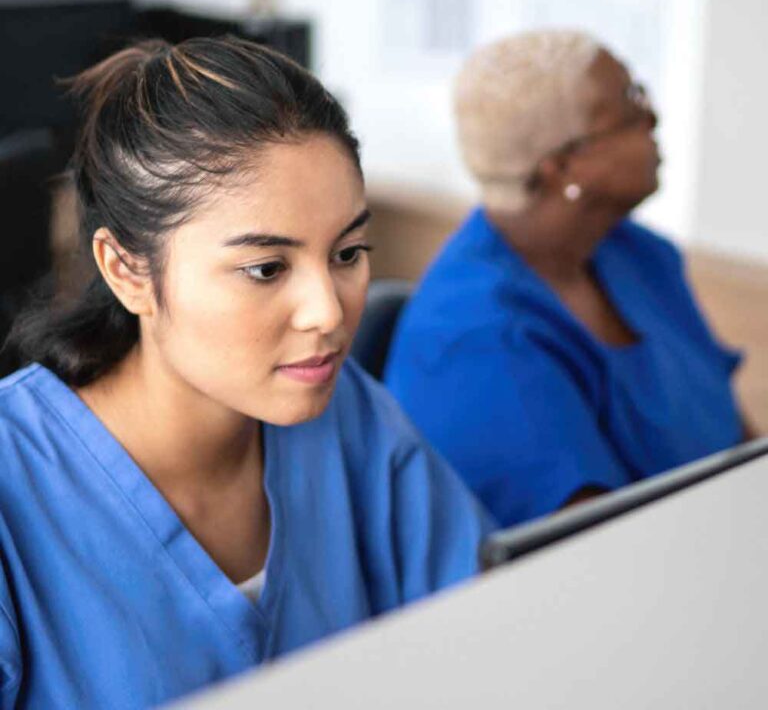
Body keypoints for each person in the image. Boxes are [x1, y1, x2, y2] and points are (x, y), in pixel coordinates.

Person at [0, 37, 493, 709]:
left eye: (348, 253)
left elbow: (488, 633)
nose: (327, 313)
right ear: (127, 270)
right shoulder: (14, 491)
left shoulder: (350, 418)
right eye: (266, 268)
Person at [385, 29, 754, 529]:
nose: (652, 117)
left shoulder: (639, 255)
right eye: (629, 104)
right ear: (561, 166)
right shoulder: (473, 339)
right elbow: (591, 554)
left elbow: (740, 442)